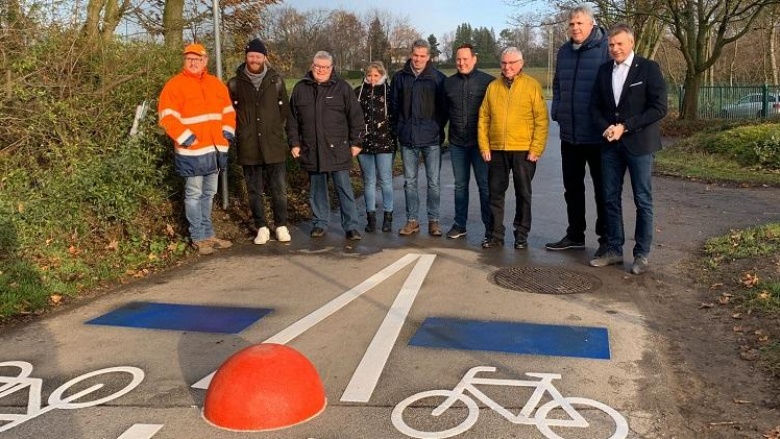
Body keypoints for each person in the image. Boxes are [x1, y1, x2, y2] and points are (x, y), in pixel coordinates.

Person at [588, 24, 667, 274]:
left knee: (642, 199)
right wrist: (606, 127)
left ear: (631, 43)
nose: (615, 48)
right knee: (609, 197)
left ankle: (642, 253)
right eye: (611, 44)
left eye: (620, 43)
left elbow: (658, 108)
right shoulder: (603, 72)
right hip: (610, 145)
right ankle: (613, 248)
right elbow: (595, 108)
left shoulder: (648, 68)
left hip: (640, 144)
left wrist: (625, 126)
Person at [158, 43, 235, 255]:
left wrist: (227, 132)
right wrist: (187, 138)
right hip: (192, 151)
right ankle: (198, 236)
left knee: (209, 193)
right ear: (185, 61)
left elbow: (228, 111)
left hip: (214, 149)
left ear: (205, 61)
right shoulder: (174, 85)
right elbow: (167, 117)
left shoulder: (216, 84)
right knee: (194, 194)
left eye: (197, 59)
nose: (193, 63)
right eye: (189, 59)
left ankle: (208, 234)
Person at [546, 5, 611, 255]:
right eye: (571, 24)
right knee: (572, 188)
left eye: (579, 23)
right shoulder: (564, 52)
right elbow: (557, 84)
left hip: (597, 135)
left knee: (602, 188)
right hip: (569, 133)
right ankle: (575, 235)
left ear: (591, 25)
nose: (575, 27)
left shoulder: (605, 49)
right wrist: (558, 110)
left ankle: (606, 239)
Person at [287, 51, 365, 240]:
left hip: (338, 148)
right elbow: (292, 120)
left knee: (344, 189)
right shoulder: (300, 88)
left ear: (331, 68)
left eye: (325, 67)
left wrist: (356, 142)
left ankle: (351, 226)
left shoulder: (342, 88)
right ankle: (320, 223)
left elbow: (355, 116)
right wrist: (294, 143)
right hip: (311, 148)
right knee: (317, 190)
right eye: (317, 66)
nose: (321, 70)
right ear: (312, 66)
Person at [478, 47, 549, 249]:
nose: (507, 67)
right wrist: (485, 145)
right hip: (497, 149)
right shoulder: (493, 87)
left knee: (523, 194)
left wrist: (536, 148)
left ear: (521, 63)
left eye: (511, 63)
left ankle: (521, 234)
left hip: (524, 150)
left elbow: (541, 120)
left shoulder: (532, 86)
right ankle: (496, 235)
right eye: (504, 63)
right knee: (495, 194)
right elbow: (484, 118)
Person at [228, 38, 291, 245]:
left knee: (278, 187)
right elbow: (230, 113)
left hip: (273, 144)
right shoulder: (235, 83)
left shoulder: (276, 80)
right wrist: (242, 133)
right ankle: (262, 226)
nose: (254, 59)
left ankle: (281, 225)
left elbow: (284, 112)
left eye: (258, 56)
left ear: (265, 57)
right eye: (251, 56)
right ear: (246, 57)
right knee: (254, 189)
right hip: (249, 145)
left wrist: (275, 130)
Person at [390, 39, 447, 237]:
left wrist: (436, 128)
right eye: (415, 55)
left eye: (423, 56)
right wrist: (400, 128)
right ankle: (412, 220)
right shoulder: (399, 78)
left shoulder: (438, 78)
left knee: (433, 182)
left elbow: (443, 109)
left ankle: (434, 220)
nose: (418, 59)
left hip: (431, 139)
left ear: (429, 57)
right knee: (410, 182)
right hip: (407, 138)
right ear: (410, 55)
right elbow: (394, 106)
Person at [443, 43, 495, 243]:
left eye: (465, 59)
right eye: (458, 59)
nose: (461, 63)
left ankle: (490, 227)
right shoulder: (448, 84)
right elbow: (443, 111)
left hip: (480, 145)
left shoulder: (488, 82)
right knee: (460, 186)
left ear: (474, 59)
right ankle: (459, 224)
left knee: (485, 186)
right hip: (457, 144)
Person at [355, 61, 396, 233]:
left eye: (376, 75)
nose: (372, 78)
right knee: (369, 181)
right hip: (364, 144)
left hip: (385, 143)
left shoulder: (389, 92)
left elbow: (395, 114)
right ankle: (370, 217)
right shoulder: (358, 92)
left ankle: (388, 215)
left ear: (382, 75)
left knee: (385, 180)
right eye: (370, 75)